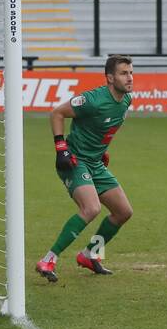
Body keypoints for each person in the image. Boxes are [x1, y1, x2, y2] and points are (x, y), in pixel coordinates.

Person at [35, 54, 135, 282]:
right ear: (110, 78)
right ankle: (48, 259)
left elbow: (102, 129)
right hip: (74, 160)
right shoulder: (92, 99)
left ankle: (90, 255)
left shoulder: (126, 100)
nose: (129, 78)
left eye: (131, 72)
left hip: (95, 163)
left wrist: (101, 151)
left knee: (123, 212)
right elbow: (57, 113)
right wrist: (61, 148)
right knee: (91, 208)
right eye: (123, 73)